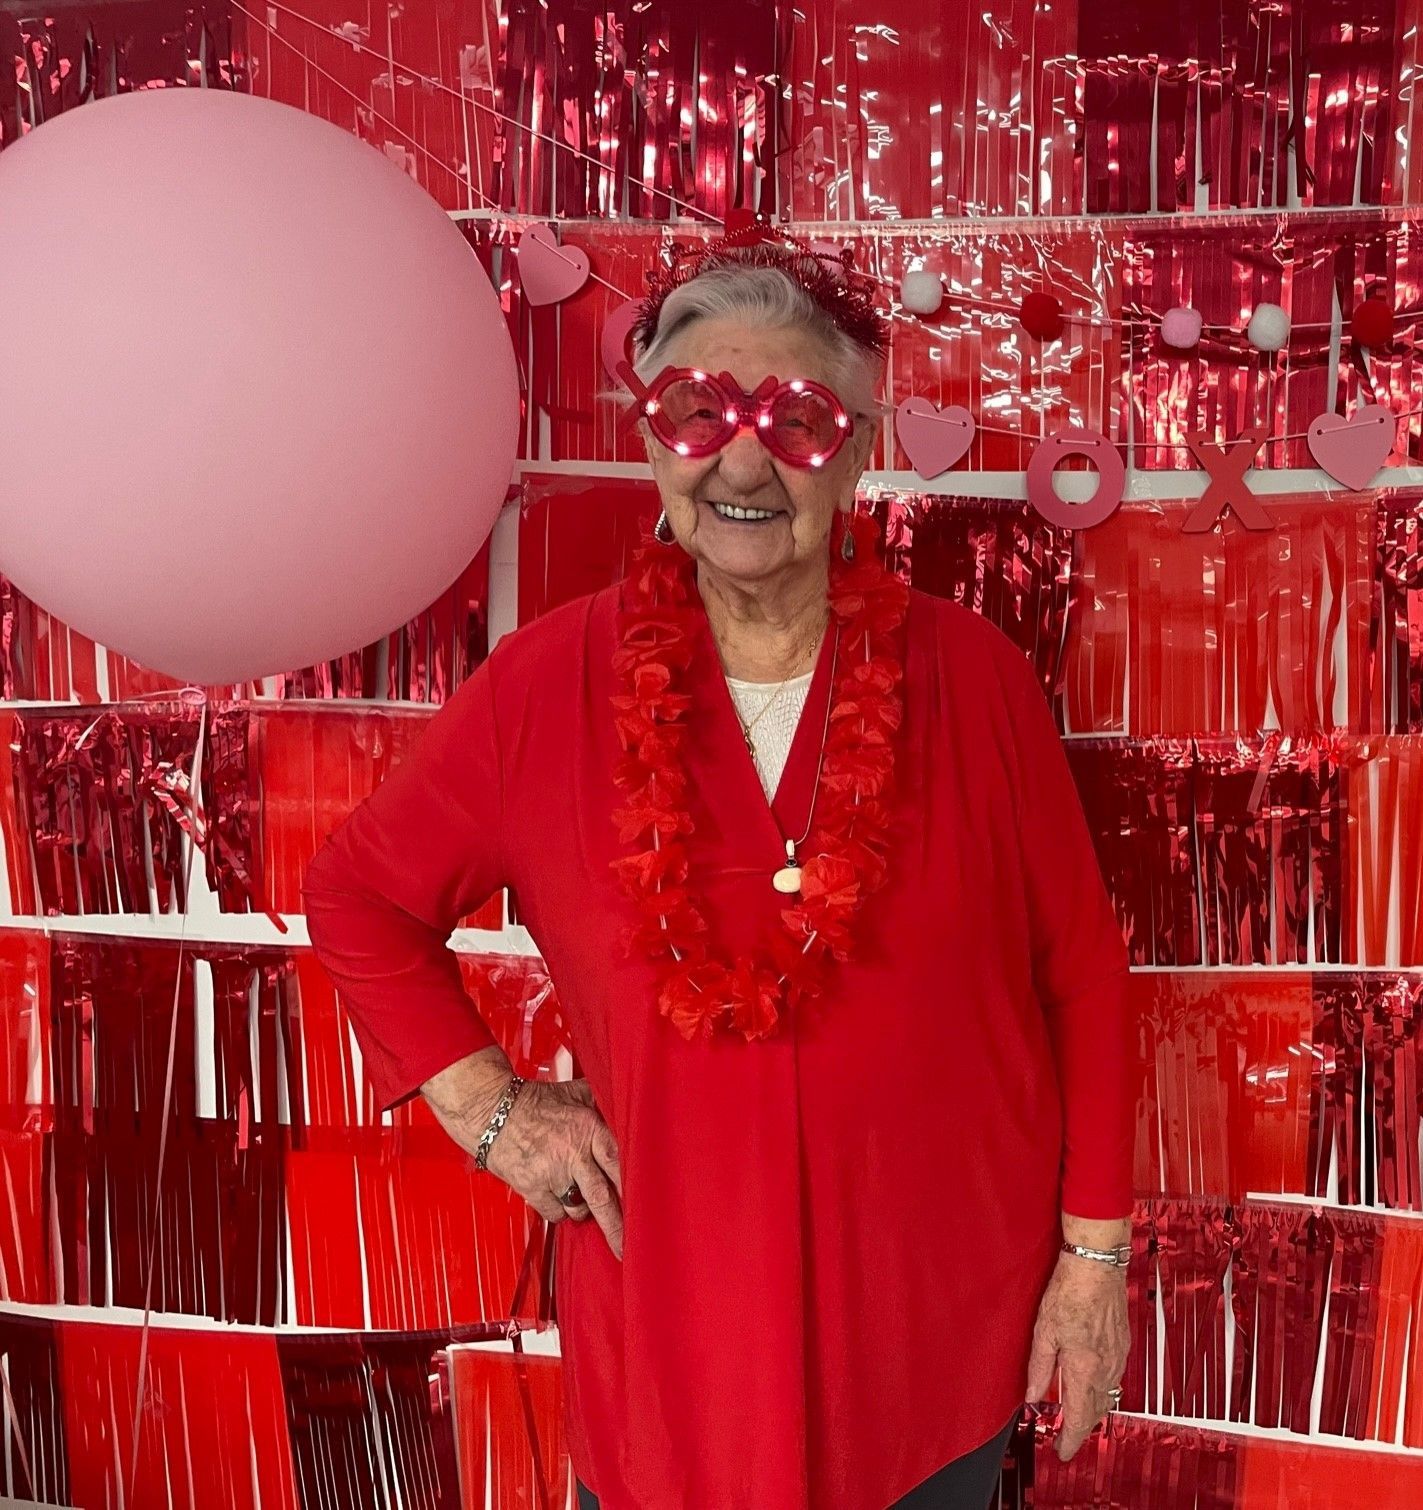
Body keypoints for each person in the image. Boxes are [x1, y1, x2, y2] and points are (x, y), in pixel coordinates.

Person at [302, 227, 1137, 1510]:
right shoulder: (545, 686)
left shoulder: (974, 679)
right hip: (675, 1348)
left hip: (936, 1336)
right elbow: (358, 896)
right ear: (652, 440)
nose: (744, 459)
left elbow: (1082, 973)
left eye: (797, 419)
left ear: (857, 451)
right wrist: (491, 1108)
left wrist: (1092, 1261)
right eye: (698, 410)